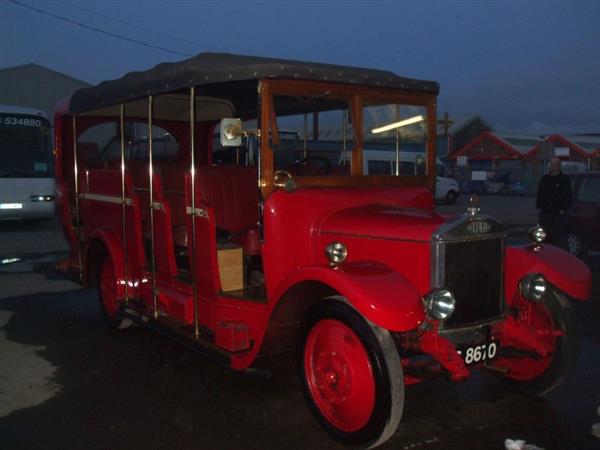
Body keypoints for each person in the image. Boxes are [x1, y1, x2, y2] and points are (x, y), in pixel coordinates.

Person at [536, 157, 571, 249]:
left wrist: (563, 209)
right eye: (551, 164)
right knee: (541, 236)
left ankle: (564, 257)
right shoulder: (545, 179)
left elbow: (567, 196)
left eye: (554, 164)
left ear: (559, 166)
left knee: (561, 237)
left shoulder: (564, 180)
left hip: (557, 214)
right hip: (545, 212)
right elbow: (540, 193)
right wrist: (539, 207)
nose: (552, 166)